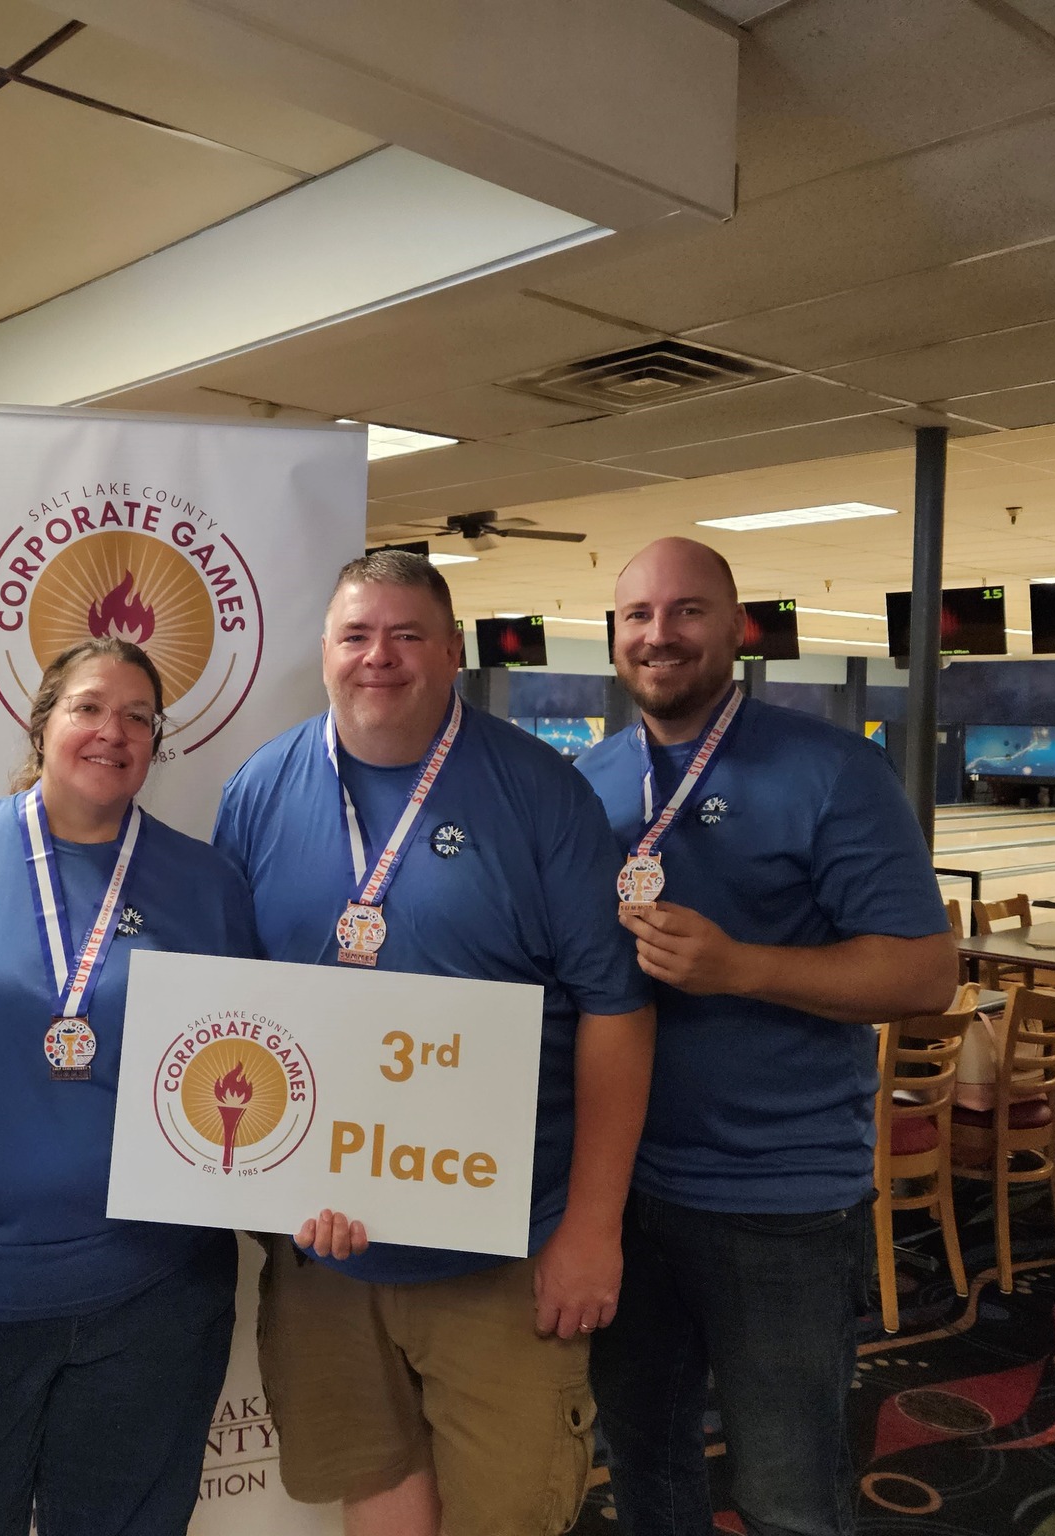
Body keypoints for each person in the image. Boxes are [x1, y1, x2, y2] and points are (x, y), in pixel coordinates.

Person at [212, 550, 657, 1536]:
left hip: (499, 1257)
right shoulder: (258, 791)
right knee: (374, 1494)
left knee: (504, 1514)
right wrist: (268, 1191)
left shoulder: (540, 794)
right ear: (323, 652)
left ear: (451, 652)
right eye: (356, 635)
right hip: (329, 1260)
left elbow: (615, 1014)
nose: (380, 657)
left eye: (407, 635)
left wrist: (590, 1229)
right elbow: (235, 1013)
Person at [0, 635, 361, 1536]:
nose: (112, 732)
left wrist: (320, 1189)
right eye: (88, 708)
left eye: (138, 717)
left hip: (150, 1300)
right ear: (42, 726)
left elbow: (261, 1060)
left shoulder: (206, 884)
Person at [575, 536, 959, 1536]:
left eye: (686, 611)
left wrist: (736, 965)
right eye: (636, 617)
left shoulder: (831, 770)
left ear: (736, 630)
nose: (659, 634)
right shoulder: (586, 784)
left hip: (777, 1200)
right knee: (644, 1469)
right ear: (613, 638)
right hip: (619, 1191)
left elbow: (924, 973)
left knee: (787, 1492)